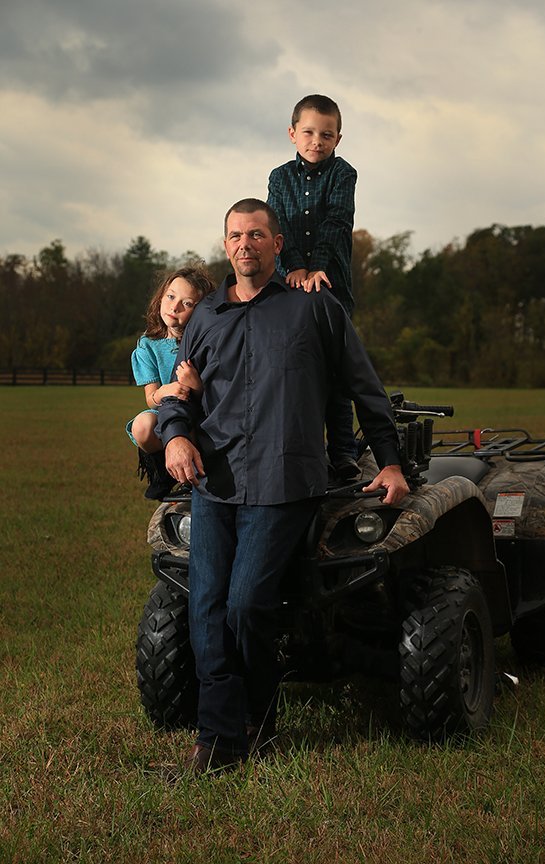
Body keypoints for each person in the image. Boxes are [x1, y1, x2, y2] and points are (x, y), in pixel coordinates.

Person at [155, 198, 409, 774]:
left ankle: (256, 723)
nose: (245, 244)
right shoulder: (203, 320)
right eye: (235, 236)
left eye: (257, 235)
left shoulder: (315, 311)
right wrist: (174, 437)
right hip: (212, 481)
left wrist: (390, 462)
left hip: (283, 481)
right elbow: (179, 396)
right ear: (226, 246)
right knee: (206, 609)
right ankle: (217, 741)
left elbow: (365, 389)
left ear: (277, 242)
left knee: (247, 605)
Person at [267, 94, 359, 481]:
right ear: (292, 133)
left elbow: (336, 223)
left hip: (330, 284)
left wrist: (317, 267)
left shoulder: (343, 174)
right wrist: (295, 267)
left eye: (326, 134)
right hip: (288, 282)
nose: (316, 141)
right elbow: (278, 227)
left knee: (336, 372)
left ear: (338, 138)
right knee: (291, 369)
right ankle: (295, 449)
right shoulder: (279, 177)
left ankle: (342, 452)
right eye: (308, 132)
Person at [126, 263, 215, 499]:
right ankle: (162, 469)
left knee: (198, 430)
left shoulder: (205, 341)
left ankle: (194, 476)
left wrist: (195, 385)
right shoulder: (148, 345)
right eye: (170, 297)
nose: (174, 307)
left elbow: (213, 395)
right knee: (142, 425)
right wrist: (169, 390)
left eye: (186, 303)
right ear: (161, 296)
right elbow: (151, 398)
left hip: (200, 416)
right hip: (165, 416)